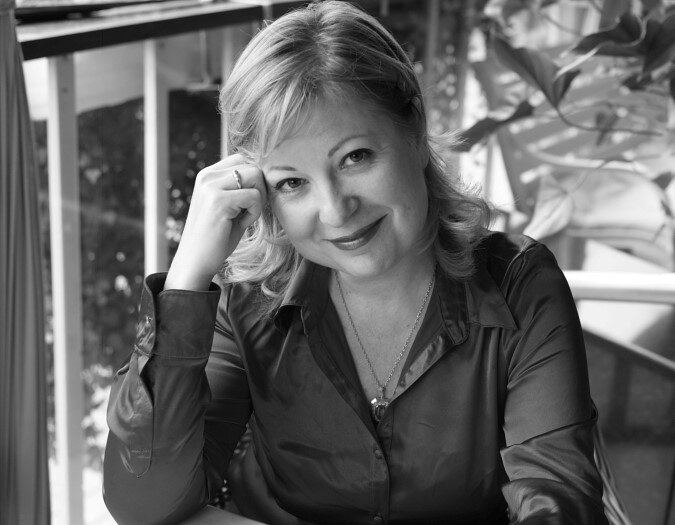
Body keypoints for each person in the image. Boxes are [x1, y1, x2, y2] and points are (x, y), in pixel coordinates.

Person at [103, 2, 609, 524]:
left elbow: (559, 503)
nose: (335, 210)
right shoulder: (246, 302)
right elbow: (144, 504)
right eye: (292, 182)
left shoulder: (520, 285)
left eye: (356, 157)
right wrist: (187, 275)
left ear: (415, 132)